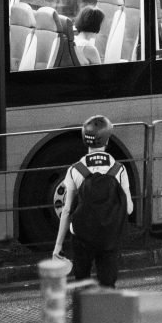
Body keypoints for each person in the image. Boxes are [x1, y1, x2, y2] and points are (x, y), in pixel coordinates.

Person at [51, 115, 133, 287]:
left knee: (82, 283)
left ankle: (84, 310)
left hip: (82, 237)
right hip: (109, 237)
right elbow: (129, 209)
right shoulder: (119, 169)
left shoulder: (75, 170)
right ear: (107, 140)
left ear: (85, 140)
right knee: (108, 284)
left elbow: (66, 211)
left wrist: (58, 246)